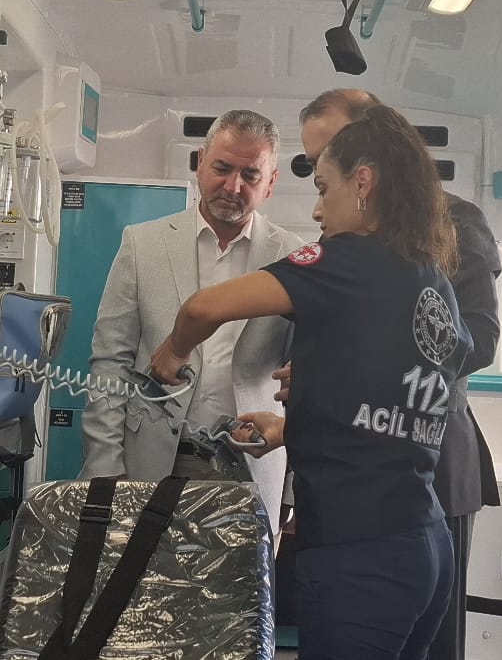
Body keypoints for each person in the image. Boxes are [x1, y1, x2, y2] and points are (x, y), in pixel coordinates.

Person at [149, 106, 468, 660]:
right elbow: (387, 410)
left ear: (362, 183)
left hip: (359, 556)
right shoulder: (431, 279)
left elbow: (203, 308)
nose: (318, 210)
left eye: (324, 188)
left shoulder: (343, 260)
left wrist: (173, 351)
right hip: (428, 544)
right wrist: (289, 429)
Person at [294, 88, 502, 660]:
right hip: (354, 472)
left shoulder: (453, 219)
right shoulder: (343, 230)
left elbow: (478, 338)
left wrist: (371, 372)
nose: (324, 173)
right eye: (314, 164)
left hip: (429, 462)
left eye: (332, 152)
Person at [79, 109, 305, 524]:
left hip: (252, 466)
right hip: (152, 464)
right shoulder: (142, 245)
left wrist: (293, 487)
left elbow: (305, 378)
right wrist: (104, 468)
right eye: (222, 168)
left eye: (250, 175)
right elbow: (111, 362)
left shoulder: (294, 258)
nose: (233, 186)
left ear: (271, 183)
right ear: (201, 163)